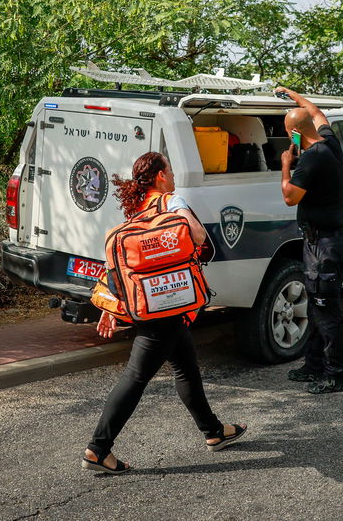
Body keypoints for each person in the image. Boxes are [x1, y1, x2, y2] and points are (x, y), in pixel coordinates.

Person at [82, 152, 247, 474]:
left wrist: (113, 306)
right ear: (160, 176)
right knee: (135, 376)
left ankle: (213, 431)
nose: (172, 176)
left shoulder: (137, 212)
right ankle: (98, 448)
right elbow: (199, 238)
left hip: (149, 303)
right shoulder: (172, 201)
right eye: (169, 170)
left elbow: (121, 267)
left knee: (186, 367)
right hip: (169, 304)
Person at [276, 86, 343, 394]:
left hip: (326, 246)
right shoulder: (330, 144)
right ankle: (313, 365)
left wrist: (285, 164)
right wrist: (293, 95)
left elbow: (289, 197)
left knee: (326, 310)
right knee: (316, 308)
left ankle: (337, 375)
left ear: (295, 133)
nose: (288, 139)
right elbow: (317, 112)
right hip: (323, 242)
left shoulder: (312, 159)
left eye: (288, 133)